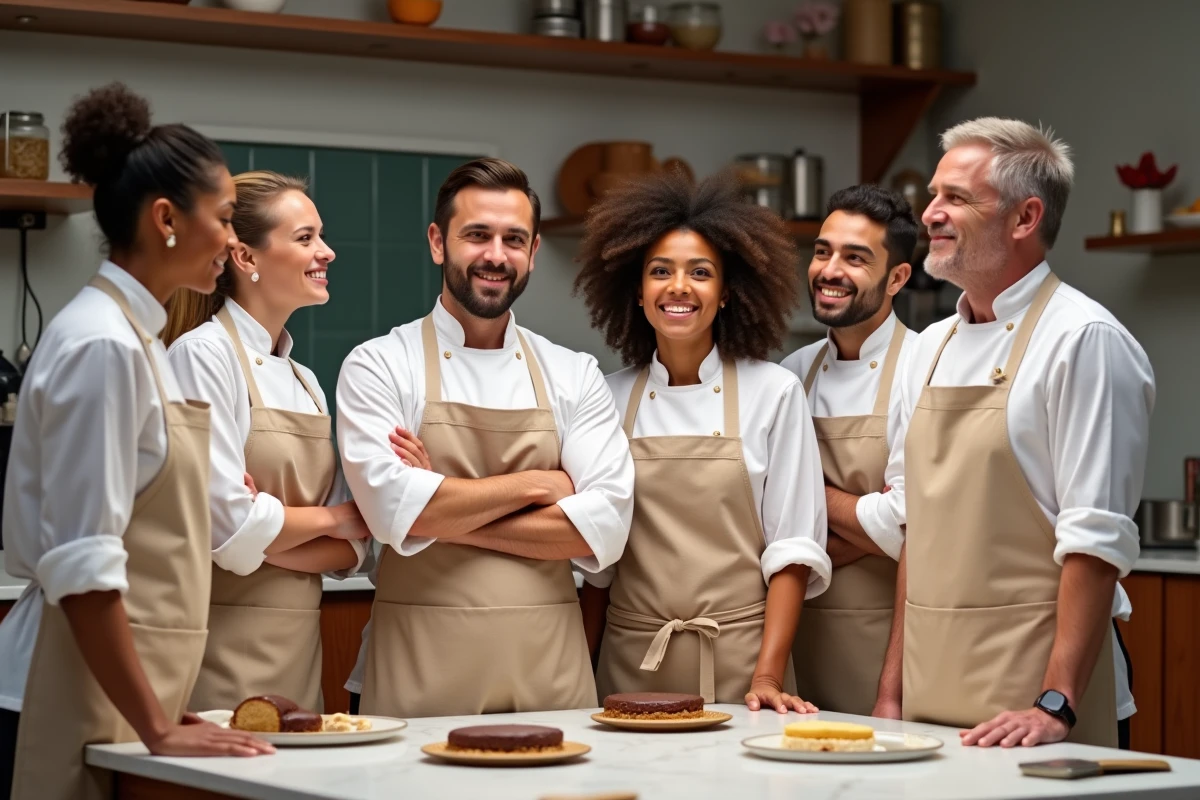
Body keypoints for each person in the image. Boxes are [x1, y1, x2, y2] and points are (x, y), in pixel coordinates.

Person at [0, 83, 273, 800]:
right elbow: (83, 566)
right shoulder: (103, 346)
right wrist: (157, 725)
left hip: (106, 692)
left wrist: (156, 706)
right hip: (57, 691)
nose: (232, 240)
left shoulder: (136, 338)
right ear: (165, 219)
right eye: (222, 218)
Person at [872, 118, 1149, 748]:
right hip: (928, 690)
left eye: (957, 199)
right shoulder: (929, 348)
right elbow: (919, 530)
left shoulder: (1083, 341)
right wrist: (891, 693)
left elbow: (1095, 543)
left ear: (1025, 219)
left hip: (1039, 706)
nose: (931, 215)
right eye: (934, 195)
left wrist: (1055, 704)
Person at [335, 157, 634, 719]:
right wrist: (539, 484)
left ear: (533, 252)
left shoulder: (573, 373)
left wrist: (442, 502)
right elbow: (393, 514)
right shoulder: (378, 365)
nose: (496, 255)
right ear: (437, 242)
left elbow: (607, 531)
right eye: (477, 235)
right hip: (416, 678)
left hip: (550, 682)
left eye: (513, 239)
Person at [574, 169, 832, 712]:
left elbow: (791, 552)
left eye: (701, 272)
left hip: (741, 667)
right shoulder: (607, 396)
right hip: (628, 661)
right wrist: (583, 669)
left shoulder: (775, 392)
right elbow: (599, 568)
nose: (679, 287)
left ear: (727, 292)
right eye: (660, 271)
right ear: (637, 292)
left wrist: (766, 677)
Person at [162, 171, 372, 714]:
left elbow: (354, 549)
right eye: (305, 238)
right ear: (245, 258)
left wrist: (266, 525)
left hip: (299, 658)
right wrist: (327, 519)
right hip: (216, 653)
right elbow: (227, 531)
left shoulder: (306, 381)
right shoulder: (201, 356)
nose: (327, 251)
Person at [779, 185, 917, 716]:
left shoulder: (924, 366)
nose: (829, 270)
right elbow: (771, 529)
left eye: (855, 258)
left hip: (890, 648)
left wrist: (810, 504)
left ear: (897, 278)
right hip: (803, 647)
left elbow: (914, 526)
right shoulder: (793, 373)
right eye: (822, 251)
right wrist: (869, 522)